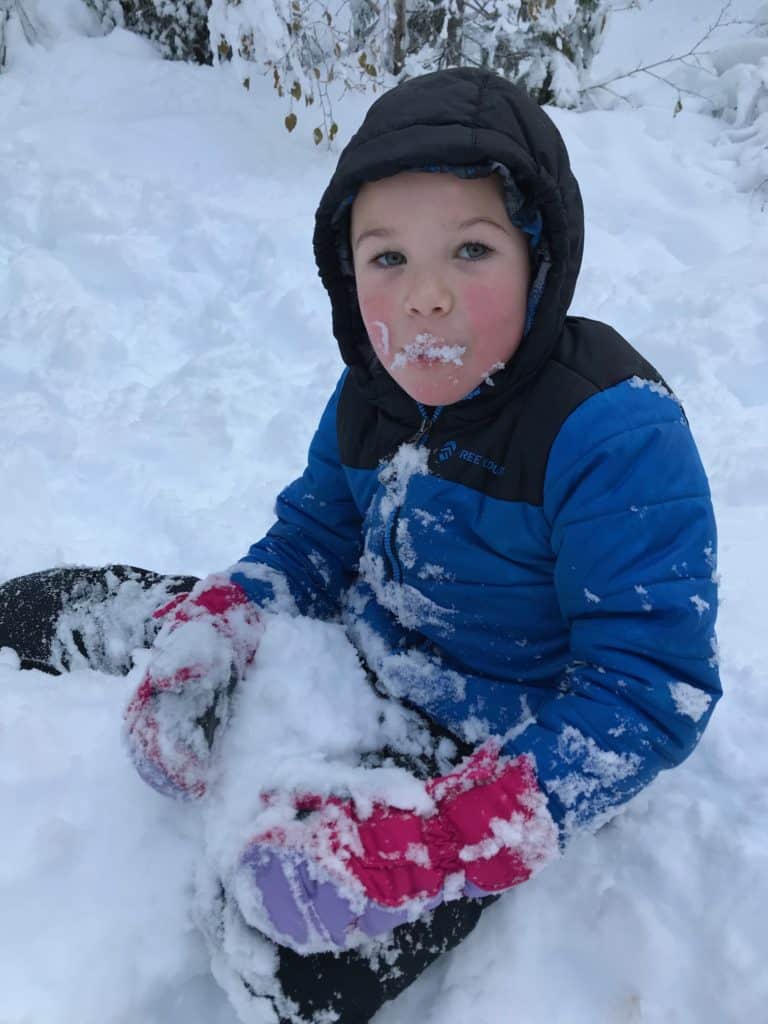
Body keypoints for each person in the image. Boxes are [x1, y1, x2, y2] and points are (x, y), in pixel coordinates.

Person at [0, 67, 721, 1024]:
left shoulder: (614, 434)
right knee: (48, 610)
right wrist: (234, 616)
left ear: (541, 260)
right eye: (387, 259)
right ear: (347, 273)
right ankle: (171, 640)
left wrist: (442, 837)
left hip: (484, 742)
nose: (425, 297)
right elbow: (313, 536)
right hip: (352, 645)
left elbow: (645, 690)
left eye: (470, 248)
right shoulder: (372, 395)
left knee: (287, 964)